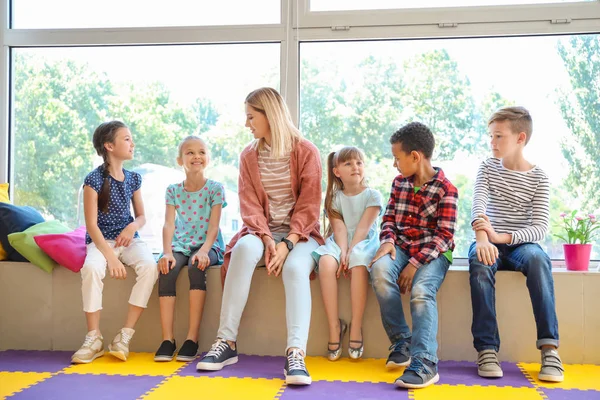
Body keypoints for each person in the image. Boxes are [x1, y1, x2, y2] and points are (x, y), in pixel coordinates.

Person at [195, 87, 324, 386]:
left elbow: (309, 204)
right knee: (242, 250)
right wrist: (268, 242)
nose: (247, 124)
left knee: (294, 268)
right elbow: (249, 204)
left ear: (270, 115)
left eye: (251, 117)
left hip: (302, 235)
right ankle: (226, 343)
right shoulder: (249, 155)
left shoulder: (306, 151)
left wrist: (287, 244)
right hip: (261, 231)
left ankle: (296, 353)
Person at [469, 106, 563, 382]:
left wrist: (502, 237)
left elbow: (540, 228)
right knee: (479, 260)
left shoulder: (539, 177)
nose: (492, 142)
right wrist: (484, 239)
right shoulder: (487, 167)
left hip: (520, 244)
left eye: (499, 136)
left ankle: (549, 349)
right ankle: (486, 349)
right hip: (489, 240)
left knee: (537, 259)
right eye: (491, 136)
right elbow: (478, 209)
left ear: (520, 138)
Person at [370, 122, 458, 389]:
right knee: (380, 270)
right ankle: (401, 341)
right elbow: (388, 219)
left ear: (415, 156)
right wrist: (387, 242)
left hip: (435, 253)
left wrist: (413, 265)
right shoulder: (399, 183)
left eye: (397, 158)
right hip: (402, 246)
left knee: (421, 292)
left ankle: (426, 362)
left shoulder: (446, 189)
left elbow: (444, 237)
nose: (395, 165)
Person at [72, 121, 158, 364]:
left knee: (150, 267)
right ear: (109, 146)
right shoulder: (93, 180)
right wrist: (110, 257)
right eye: (127, 139)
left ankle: (124, 336)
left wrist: (132, 228)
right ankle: (94, 338)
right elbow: (91, 225)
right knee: (91, 268)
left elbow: (141, 217)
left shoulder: (133, 179)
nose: (133, 143)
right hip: (101, 241)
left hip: (129, 239)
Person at [154, 136, 227, 362]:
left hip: (209, 245)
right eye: (190, 153)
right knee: (166, 270)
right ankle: (168, 339)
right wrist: (166, 252)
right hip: (181, 245)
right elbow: (168, 224)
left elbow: (213, 226)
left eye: (202, 152)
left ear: (208, 158)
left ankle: (191, 339)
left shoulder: (215, 189)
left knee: (197, 267)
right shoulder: (173, 190)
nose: (197, 156)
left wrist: (205, 250)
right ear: (180, 160)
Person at [312, 146, 383, 361]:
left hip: (365, 240)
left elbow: (363, 228)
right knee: (326, 261)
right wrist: (343, 250)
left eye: (359, 163)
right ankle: (335, 326)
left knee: (359, 261)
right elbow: (339, 228)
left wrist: (351, 251)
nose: (355, 167)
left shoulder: (373, 195)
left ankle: (356, 326)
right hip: (341, 240)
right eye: (348, 164)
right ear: (337, 172)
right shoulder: (334, 198)